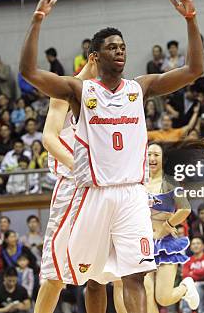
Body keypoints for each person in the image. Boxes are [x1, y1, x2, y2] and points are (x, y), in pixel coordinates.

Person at [18, 0, 204, 313]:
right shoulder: (79, 90)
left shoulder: (140, 88)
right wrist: (37, 22)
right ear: (97, 54)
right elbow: (29, 72)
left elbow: (193, 70)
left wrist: (191, 20)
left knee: (134, 275)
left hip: (132, 193)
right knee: (93, 280)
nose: (120, 51)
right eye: (112, 47)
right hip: (95, 193)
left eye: (123, 46)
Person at [35, 56, 124, 313]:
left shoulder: (109, 95)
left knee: (106, 274)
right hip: (72, 185)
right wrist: (80, 167)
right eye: (111, 51)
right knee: (55, 274)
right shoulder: (65, 89)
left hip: (102, 188)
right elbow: (49, 139)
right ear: (94, 57)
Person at [144, 143, 200, 313]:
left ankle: (186, 287)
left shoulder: (170, 182)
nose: (152, 158)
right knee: (146, 291)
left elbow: (185, 209)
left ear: (163, 159)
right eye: (149, 154)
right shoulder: (139, 182)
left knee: (163, 298)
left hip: (165, 244)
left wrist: (167, 226)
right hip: (144, 244)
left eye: (156, 155)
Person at [181, 236, 204, 313]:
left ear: (203, 246)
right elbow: (185, 275)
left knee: (197, 285)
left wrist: (192, 272)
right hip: (192, 285)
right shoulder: (188, 260)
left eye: (198, 243)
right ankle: (186, 311)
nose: (195, 245)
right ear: (191, 247)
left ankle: (201, 311)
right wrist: (198, 273)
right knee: (185, 286)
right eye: (193, 244)